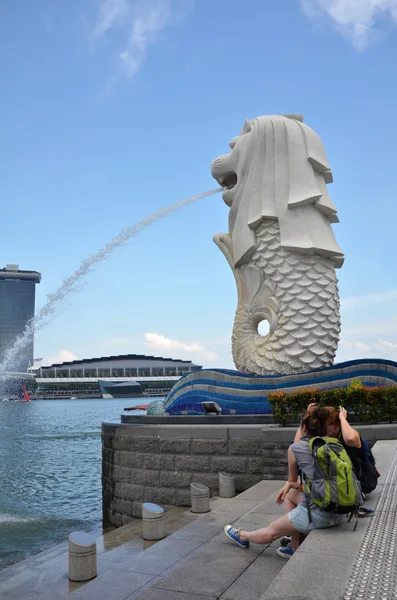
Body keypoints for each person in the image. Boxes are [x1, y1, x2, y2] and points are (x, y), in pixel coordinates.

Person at [224, 406, 347, 558]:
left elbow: (293, 473)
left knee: (273, 530)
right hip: (340, 511)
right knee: (292, 493)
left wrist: (290, 482)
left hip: (321, 515)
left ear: (303, 427)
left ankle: (242, 536)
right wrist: (291, 485)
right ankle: (294, 545)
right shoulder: (334, 444)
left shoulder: (297, 448)